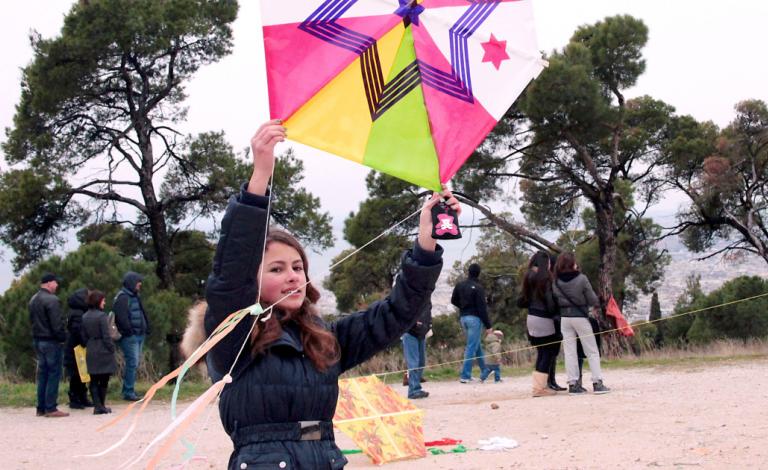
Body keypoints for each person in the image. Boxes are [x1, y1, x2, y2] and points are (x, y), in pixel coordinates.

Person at [203, 120, 459, 469]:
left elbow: (397, 312)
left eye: (297, 267)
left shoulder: (324, 338)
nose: (292, 276)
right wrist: (260, 176)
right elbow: (230, 271)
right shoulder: (232, 337)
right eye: (276, 269)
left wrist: (426, 243)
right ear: (252, 279)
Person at [552, 253, 610, 395]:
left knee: (570, 352)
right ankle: (597, 383)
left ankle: (573, 384)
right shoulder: (581, 279)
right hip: (580, 317)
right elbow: (592, 300)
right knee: (591, 350)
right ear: (573, 264)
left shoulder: (555, 281)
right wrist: (600, 300)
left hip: (565, 318)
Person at [519, 251, 560, 396]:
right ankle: (539, 388)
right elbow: (549, 300)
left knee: (541, 352)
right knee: (547, 353)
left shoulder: (528, 276)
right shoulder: (545, 277)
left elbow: (522, 300)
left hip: (531, 318)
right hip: (544, 319)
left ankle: (538, 386)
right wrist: (555, 313)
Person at [29, 272, 69, 417]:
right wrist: (62, 338)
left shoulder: (33, 299)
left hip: (38, 339)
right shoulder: (52, 300)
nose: (57, 285)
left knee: (43, 374)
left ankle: (41, 407)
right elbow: (56, 324)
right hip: (51, 340)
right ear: (49, 283)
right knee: (53, 373)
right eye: (55, 282)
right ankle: (51, 407)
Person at [451, 263, 492, 383]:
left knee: (476, 344)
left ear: (468, 272)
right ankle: (465, 375)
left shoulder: (460, 285)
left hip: (463, 318)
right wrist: (488, 326)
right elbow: (482, 308)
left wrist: (463, 307)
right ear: (478, 273)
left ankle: (485, 370)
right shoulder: (478, 288)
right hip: (474, 319)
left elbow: (453, 300)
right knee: (471, 347)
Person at [113, 271, 150, 401]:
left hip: (138, 335)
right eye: (138, 281)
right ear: (132, 282)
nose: (140, 284)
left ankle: (128, 389)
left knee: (134, 363)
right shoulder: (123, 298)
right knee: (132, 363)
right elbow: (121, 317)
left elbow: (141, 313)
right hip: (131, 337)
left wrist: (146, 328)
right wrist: (129, 332)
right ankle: (128, 391)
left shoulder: (135, 297)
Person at [81, 290, 117, 415]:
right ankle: (101, 405)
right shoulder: (102, 316)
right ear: (98, 301)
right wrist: (111, 348)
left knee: (93, 379)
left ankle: (97, 405)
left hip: (91, 348)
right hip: (102, 349)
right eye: (103, 300)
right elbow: (106, 335)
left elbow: (83, 336)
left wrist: (89, 344)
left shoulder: (84, 316)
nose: (104, 302)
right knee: (104, 379)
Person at [63, 288, 93, 409]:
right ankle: (75, 399)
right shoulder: (77, 314)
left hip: (77, 347)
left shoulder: (78, 312)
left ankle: (82, 396)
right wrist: (85, 341)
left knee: (82, 373)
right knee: (76, 375)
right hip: (76, 348)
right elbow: (77, 331)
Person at [401, 299, 432, 399]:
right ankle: (413, 390)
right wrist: (414, 323)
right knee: (413, 362)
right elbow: (405, 311)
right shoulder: (411, 295)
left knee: (421, 362)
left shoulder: (426, 298)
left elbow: (428, 312)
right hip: (410, 332)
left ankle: (416, 387)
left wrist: (429, 325)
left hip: (421, 333)